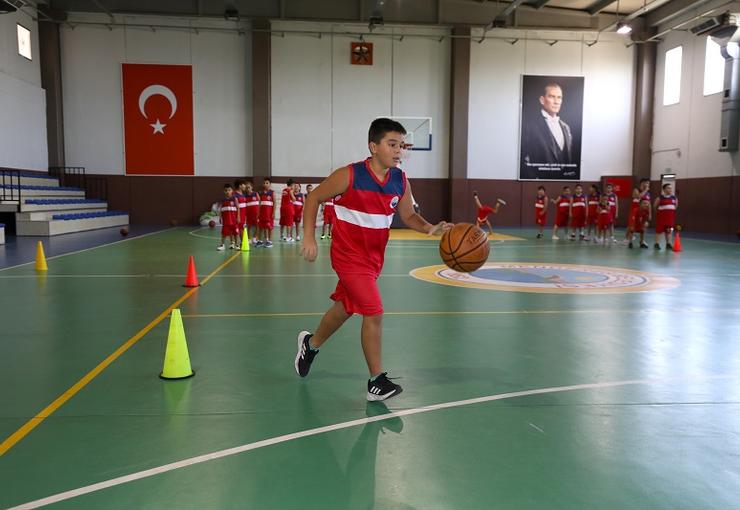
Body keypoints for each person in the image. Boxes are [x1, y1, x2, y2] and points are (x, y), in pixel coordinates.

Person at [295, 118, 452, 401]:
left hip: (373, 260)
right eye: (392, 144)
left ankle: (311, 344)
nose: (398, 151)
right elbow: (313, 198)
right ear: (373, 147)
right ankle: (376, 381)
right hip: (348, 257)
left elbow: (408, 215)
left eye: (401, 145)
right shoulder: (349, 175)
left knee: (345, 308)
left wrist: (431, 228)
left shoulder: (400, 180)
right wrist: (308, 237)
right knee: (374, 311)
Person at [521, 83, 574, 178]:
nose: (556, 102)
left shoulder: (566, 127)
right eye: (552, 97)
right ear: (542, 100)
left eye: (559, 97)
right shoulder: (529, 125)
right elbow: (523, 159)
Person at [654, 182, 678, 251]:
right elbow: (655, 206)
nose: (670, 189)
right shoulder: (660, 198)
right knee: (659, 231)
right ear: (664, 189)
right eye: (668, 188)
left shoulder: (674, 198)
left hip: (670, 218)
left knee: (669, 231)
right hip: (661, 218)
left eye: (671, 188)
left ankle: (668, 244)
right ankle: (657, 244)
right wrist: (660, 213)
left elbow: (675, 207)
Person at [217, 184, 239, 251]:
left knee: (235, 233)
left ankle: (236, 245)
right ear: (224, 191)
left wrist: (238, 217)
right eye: (226, 190)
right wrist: (220, 217)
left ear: (232, 191)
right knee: (224, 233)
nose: (227, 192)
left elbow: (238, 208)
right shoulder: (223, 200)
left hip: (234, 220)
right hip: (226, 220)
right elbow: (220, 209)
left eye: (229, 190)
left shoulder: (234, 199)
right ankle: (222, 245)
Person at [258, 178, 275, 248]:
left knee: (269, 227)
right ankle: (264, 240)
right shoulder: (261, 193)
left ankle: (270, 241)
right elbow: (259, 203)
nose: (265, 184)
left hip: (269, 214)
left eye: (267, 183)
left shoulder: (272, 192)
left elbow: (275, 203)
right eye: (264, 183)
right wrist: (258, 212)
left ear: (270, 184)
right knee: (262, 227)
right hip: (262, 213)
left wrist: (273, 213)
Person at [233, 179, 248, 247]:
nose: (245, 186)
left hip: (243, 215)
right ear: (240, 186)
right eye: (244, 184)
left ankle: (242, 242)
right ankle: (236, 243)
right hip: (238, 215)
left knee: (242, 228)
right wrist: (237, 216)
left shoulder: (243, 195)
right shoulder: (234, 195)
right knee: (237, 229)